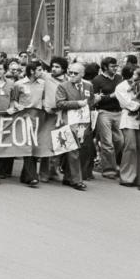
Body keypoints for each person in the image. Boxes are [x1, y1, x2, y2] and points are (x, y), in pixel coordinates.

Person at [55, 62, 99, 191]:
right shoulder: (63, 86)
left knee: (78, 150)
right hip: (69, 121)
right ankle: (76, 180)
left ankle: (68, 177)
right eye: (70, 73)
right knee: (72, 150)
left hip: (83, 122)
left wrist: (92, 105)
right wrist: (77, 104)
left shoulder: (88, 85)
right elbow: (59, 103)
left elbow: (90, 101)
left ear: (82, 74)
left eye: (75, 73)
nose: (72, 75)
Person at [91, 56, 123, 180]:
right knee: (107, 142)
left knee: (120, 141)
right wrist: (111, 96)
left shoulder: (119, 78)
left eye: (116, 66)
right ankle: (109, 170)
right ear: (105, 67)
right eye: (112, 66)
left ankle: (111, 162)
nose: (115, 68)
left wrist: (106, 96)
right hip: (104, 112)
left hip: (118, 112)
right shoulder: (97, 80)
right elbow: (95, 99)